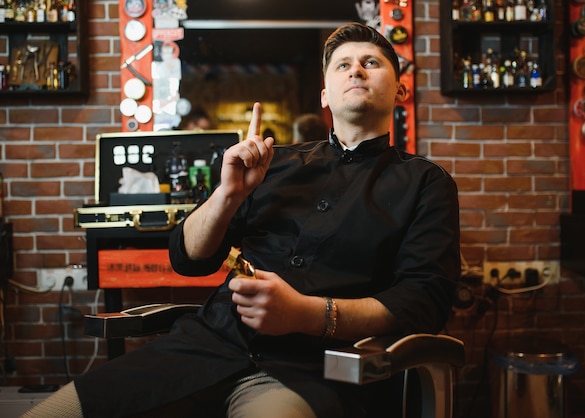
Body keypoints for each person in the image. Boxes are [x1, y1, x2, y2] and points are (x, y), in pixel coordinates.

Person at [23, 22, 459, 418]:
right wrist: (227, 194)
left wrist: (307, 314)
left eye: (370, 63)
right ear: (325, 94)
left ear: (400, 91)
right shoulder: (275, 165)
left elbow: (423, 301)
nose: (356, 71)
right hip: (204, 347)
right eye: (343, 65)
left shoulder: (426, 183)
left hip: (315, 369)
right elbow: (188, 257)